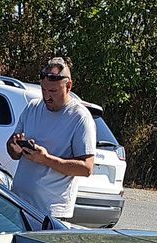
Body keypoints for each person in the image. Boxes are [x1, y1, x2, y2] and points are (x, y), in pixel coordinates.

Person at [6, 56, 95, 223]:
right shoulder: (33, 107)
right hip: (18, 204)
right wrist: (15, 148)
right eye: (43, 89)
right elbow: (12, 147)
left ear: (68, 86)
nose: (47, 96)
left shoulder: (79, 117)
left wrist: (45, 159)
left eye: (53, 91)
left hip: (51, 213)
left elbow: (86, 168)